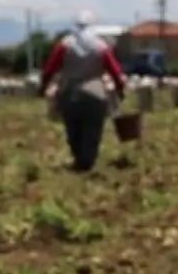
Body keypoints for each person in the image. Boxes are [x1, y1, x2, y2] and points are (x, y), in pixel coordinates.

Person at [38, 11, 127, 172]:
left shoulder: (65, 45)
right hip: (95, 92)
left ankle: (79, 159)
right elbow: (115, 71)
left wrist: (43, 87)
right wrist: (120, 89)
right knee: (93, 129)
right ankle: (87, 161)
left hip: (69, 92)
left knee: (73, 128)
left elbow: (50, 69)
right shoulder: (101, 46)